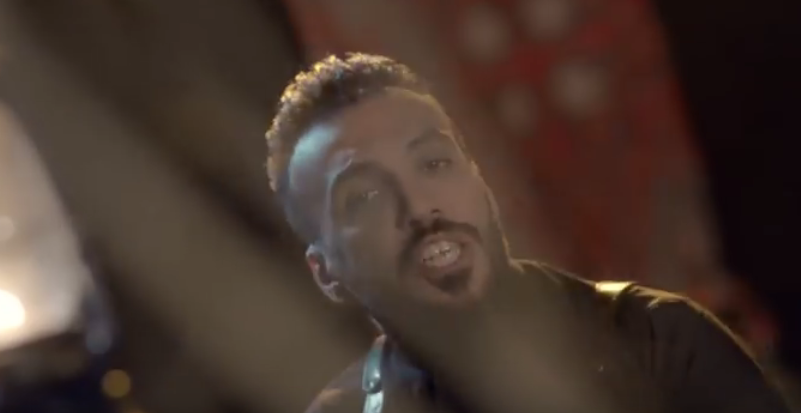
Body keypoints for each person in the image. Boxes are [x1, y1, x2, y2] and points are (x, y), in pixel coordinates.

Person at [265, 53, 791, 413]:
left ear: (480, 180)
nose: (420, 207)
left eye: (433, 163)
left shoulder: (661, 342)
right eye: (365, 197)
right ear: (325, 272)